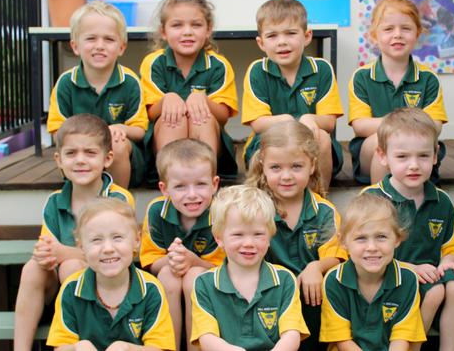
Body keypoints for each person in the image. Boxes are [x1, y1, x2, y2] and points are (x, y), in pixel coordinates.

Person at [14, 114, 135, 351]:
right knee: (32, 269)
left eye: (90, 153)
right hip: (58, 284)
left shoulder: (119, 199)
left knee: (70, 267)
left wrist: (63, 253)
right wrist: (44, 253)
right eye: (71, 153)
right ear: (59, 160)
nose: (80, 160)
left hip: (106, 279)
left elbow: (122, 254)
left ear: (107, 158)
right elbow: (49, 248)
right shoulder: (54, 201)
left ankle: (76, 342)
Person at [361, 108, 454, 351]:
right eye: (402, 157)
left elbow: (450, 245)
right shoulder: (373, 200)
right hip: (390, 277)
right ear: (383, 156)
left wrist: (448, 262)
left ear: (435, 156)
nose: (414, 165)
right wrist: (410, 268)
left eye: (423, 156)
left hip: (432, 274)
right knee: (433, 292)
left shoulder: (441, 201)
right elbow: (360, 254)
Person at [245, 120, 347, 351]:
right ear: (263, 166)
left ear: (312, 165)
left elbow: (337, 253)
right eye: (276, 168)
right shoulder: (254, 208)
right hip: (267, 291)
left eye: (296, 167)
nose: (286, 176)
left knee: (330, 282)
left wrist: (316, 267)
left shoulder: (323, 211)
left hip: (309, 293)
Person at [46, 197, 175, 350]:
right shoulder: (71, 289)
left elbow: (159, 347)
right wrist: (78, 347)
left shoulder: (150, 289)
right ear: (82, 247)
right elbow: (60, 346)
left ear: (136, 240)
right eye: (96, 240)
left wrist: (127, 349)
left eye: (117, 237)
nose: (108, 248)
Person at [241, 0, 344, 189]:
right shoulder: (257, 71)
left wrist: (309, 119)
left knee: (321, 136)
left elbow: (329, 121)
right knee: (267, 148)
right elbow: (258, 123)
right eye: (272, 36)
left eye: (290, 33)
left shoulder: (321, 69)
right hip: (269, 143)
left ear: (307, 36)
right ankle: (269, 200)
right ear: (261, 43)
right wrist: (290, 120)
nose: (282, 42)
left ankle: (318, 200)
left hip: (310, 143)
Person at [191, 185, 309, 351]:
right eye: (238, 234)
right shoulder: (204, 284)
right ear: (219, 238)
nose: (248, 243)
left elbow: (291, 333)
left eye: (258, 234)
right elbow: (207, 337)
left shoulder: (284, 280)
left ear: (269, 236)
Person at [46, 1, 149, 188]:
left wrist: (121, 129)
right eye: (91, 38)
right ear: (75, 46)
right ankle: (81, 202)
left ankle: (116, 204)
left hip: (123, 159)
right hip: (81, 153)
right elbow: (56, 131)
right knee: (77, 148)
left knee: (116, 144)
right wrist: (85, 139)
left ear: (121, 47)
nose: (99, 46)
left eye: (109, 39)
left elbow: (140, 130)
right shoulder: (66, 83)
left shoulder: (130, 82)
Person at [348, 0, 448, 185]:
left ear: (418, 34)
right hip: (373, 151)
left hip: (415, 152)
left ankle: (417, 204)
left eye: (406, 28)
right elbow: (360, 126)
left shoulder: (428, 79)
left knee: (419, 144)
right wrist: (401, 127)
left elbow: (435, 125)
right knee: (383, 144)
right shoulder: (361, 77)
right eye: (388, 29)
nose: (397, 34)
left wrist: (402, 133)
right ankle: (381, 206)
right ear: (374, 36)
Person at [140, 0, 238, 178]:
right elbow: (150, 114)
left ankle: (205, 178)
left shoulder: (218, 65)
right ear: (163, 32)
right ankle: (170, 178)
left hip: (209, 139)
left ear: (208, 29)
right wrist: (168, 99)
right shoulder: (153, 63)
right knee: (173, 119)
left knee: (201, 118)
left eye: (196, 25)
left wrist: (203, 101)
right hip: (163, 140)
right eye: (177, 25)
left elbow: (223, 116)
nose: (187, 32)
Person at [140, 138, 222, 351]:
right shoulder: (156, 211)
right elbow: (149, 262)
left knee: (195, 277)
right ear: (164, 189)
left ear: (214, 184)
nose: (192, 194)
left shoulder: (221, 213)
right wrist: (172, 260)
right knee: (168, 275)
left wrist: (193, 261)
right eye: (180, 186)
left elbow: (223, 268)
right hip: (168, 281)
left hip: (212, 288)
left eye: (201, 184)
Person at [320, 194, 426, 350]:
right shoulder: (334, 280)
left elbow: (402, 337)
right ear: (343, 242)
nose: (372, 247)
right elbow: (341, 339)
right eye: (361, 238)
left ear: (397, 239)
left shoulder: (407, 278)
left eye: (381, 236)